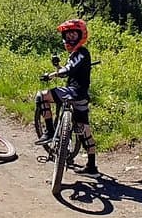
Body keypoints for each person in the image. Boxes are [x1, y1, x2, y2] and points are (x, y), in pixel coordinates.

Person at [35, 18, 98, 177]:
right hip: (82, 95)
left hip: (73, 92)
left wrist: (52, 74)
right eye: (67, 36)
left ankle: (49, 131)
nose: (69, 38)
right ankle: (92, 167)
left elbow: (68, 69)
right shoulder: (78, 54)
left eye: (73, 35)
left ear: (81, 35)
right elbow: (69, 70)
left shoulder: (81, 52)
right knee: (84, 131)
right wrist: (58, 67)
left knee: (42, 96)